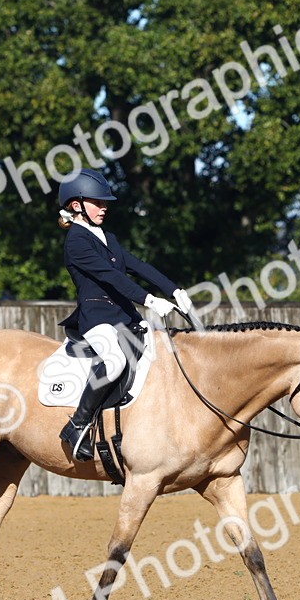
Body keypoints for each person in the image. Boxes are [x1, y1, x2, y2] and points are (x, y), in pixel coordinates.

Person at [56, 168, 193, 461]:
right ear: (76, 205)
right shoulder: (76, 242)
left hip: (124, 316)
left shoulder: (108, 237)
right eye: (98, 202)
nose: (104, 208)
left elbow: (138, 266)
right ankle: (77, 424)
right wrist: (150, 301)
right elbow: (109, 277)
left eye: (106, 203)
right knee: (115, 360)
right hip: (96, 318)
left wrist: (174, 289)